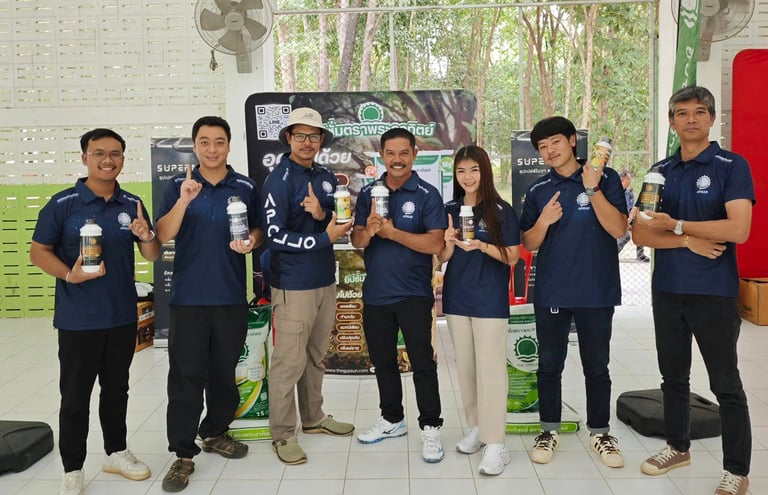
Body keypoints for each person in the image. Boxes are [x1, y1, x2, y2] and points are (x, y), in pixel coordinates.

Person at [632, 86, 754, 495]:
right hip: (668, 290)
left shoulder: (731, 165)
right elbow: (640, 234)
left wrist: (678, 225)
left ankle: (736, 470)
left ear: (712, 118)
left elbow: (738, 228)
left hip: (714, 292)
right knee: (673, 377)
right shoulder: (660, 170)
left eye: (699, 112)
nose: (690, 119)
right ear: (671, 121)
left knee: (726, 384)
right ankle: (677, 447)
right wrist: (687, 240)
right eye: (681, 113)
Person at [30, 128, 160, 495]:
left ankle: (116, 452)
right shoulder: (63, 204)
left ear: (123, 159)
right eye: (99, 153)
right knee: (75, 396)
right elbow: (38, 251)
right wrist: (68, 275)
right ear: (85, 157)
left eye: (115, 154)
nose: (108, 160)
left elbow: (152, 254)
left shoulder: (131, 203)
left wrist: (147, 236)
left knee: (117, 389)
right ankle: (72, 468)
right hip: (78, 320)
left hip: (121, 316)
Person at [156, 116, 263, 492]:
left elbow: (258, 229)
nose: (212, 149)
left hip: (230, 297)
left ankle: (215, 432)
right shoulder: (178, 185)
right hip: (189, 299)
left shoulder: (245, 186)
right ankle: (183, 454)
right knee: (186, 378)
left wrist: (252, 240)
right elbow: (163, 234)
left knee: (223, 373)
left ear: (229, 145)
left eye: (219, 141)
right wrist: (185, 200)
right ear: (195, 146)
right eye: (205, 142)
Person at [519, 116, 628, 469]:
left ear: (571, 141)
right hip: (553, 291)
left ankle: (600, 432)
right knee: (549, 365)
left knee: (597, 366)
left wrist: (592, 189)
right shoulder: (539, 189)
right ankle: (548, 430)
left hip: (597, 290)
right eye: (542, 146)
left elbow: (618, 229)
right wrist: (543, 221)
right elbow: (529, 243)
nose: (549, 150)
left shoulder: (605, 178)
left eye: (555, 142)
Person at [261, 107, 355, 465]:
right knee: (289, 361)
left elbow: (339, 219)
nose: (307, 142)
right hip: (293, 284)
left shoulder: (326, 176)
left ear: (321, 140)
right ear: (289, 138)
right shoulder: (279, 180)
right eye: (300, 135)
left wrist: (321, 215)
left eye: (313, 136)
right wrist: (322, 237)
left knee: (315, 356)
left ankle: (313, 418)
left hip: (323, 280)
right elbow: (273, 236)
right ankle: (283, 434)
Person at [351, 128, 447, 463]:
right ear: (382, 155)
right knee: (383, 362)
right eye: (390, 153)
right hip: (377, 294)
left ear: (414, 154)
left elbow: (435, 243)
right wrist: (369, 231)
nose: (397, 159)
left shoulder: (427, 194)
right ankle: (392, 419)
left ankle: (431, 426)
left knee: (422, 363)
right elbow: (357, 241)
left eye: (403, 153)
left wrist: (392, 233)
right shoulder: (369, 193)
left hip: (413, 294)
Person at [438, 146, 520, 475]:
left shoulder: (501, 210)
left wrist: (481, 245)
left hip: (489, 301)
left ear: (485, 171)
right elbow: (442, 257)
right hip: (457, 298)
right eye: (461, 171)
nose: (467, 177)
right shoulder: (449, 209)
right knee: (468, 369)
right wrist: (447, 241)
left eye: (473, 170)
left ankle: (496, 443)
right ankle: (477, 428)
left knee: (491, 371)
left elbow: (512, 256)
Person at [616, 170, 649, 261]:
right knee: (626, 236)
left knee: (640, 228)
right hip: (618, 218)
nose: (630, 181)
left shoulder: (629, 192)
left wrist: (631, 219)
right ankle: (613, 254)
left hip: (628, 218)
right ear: (623, 179)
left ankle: (640, 255)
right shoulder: (616, 192)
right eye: (629, 179)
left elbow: (632, 207)